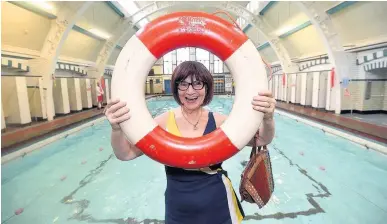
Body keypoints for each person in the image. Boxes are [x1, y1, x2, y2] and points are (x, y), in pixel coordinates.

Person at [105, 61, 276, 224]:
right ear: (176, 88)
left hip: (219, 204)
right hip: (178, 209)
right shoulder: (162, 123)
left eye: (197, 84)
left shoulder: (220, 122)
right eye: (183, 84)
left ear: (207, 88)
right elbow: (125, 154)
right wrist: (116, 129)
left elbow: (262, 139)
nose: (190, 91)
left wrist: (268, 119)